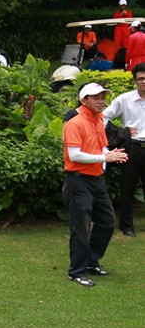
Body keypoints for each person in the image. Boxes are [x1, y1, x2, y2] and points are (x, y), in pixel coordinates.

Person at [62, 83, 128, 287]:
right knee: (81, 229)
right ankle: (76, 272)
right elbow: (75, 155)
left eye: (103, 97)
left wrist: (111, 155)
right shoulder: (75, 123)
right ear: (84, 101)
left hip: (97, 181)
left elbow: (101, 147)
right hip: (78, 181)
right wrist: (104, 157)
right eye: (96, 97)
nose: (101, 101)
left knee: (107, 222)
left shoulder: (99, 120)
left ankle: (91, 261)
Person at [102, 63, 145, 237]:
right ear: (134, 81)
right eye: (140, 78)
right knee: (127, 187)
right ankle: (126, 226)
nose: (143, 81)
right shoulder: (125, 99)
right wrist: (121, 132)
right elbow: (103, 117)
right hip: (132, 147)